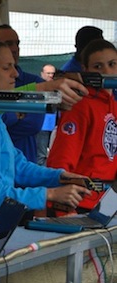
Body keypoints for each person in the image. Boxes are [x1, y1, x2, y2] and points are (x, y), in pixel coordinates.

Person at [0, 38, 91, 241]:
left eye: (14, 66)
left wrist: (60, 177)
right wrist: (50, 194)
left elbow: (19, 166)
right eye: (7, 68)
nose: (15, 74)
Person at [47, 39, 117, 213]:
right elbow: (61, 161)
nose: (106, 71)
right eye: (98, 66)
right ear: (85, 70)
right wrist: (63, 209)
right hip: (79, 206)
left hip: (106, 206)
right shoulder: (80, 105)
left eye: (112, 64)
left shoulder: (114, 105)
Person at [0, 25, 45, 163]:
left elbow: (33, 125)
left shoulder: (35, 82)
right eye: (8, 44)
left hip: (24, 166)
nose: (14, 48)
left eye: (17, 43)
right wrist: (16, 115)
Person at [36, 63, 58, 166]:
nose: (51, 75)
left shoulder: (59, 88)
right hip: (42, 127)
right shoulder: (38, 88)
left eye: (53, 73)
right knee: (41, 155)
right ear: (42, 74)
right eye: (48, 73)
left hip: (55, 127)